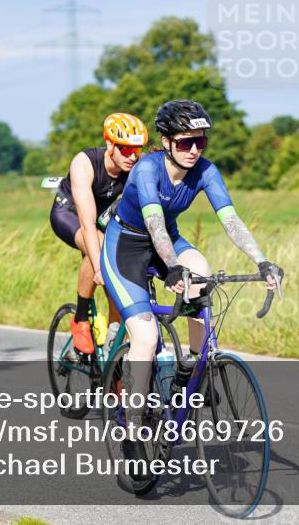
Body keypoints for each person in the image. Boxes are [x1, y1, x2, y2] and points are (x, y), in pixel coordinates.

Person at [100, 100, 282, 470]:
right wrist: (169, 268)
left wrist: (261, 261)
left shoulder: (206, 171)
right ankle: (133, 431)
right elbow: (153, 223)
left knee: (201, 272)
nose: (194, 150)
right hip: (127, 247)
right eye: (185, 143)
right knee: (146, 338)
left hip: (170, 238)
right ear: (166, 141)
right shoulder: (147, 170)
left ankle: (191, 372)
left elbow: (231, 220)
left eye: (200, 142)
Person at [50, 112, 148, 355]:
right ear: (110, 145)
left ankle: (113, 349)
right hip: (70, 213)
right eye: (125, 149)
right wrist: (97, 268)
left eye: (136, 150)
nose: (132, 156)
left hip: (104, 217)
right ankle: (80, 319)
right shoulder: (84, 162)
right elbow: (87, 223)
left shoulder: (137, 164)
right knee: (97, 246)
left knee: (120, 271)